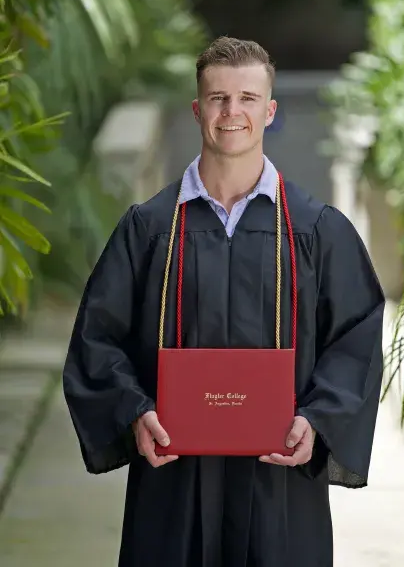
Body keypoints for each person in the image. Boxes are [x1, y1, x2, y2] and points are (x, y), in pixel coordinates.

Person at [63, 36, 385, 567]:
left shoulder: (316, 231)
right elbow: (98, 337)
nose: (232, 112)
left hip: (279, 481)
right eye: (217, 98)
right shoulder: (148, 230)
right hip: (174, 482)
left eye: (248, 98)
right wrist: (134, 412)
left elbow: (357, 337)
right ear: (197, 109)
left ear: (270, 110)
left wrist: (320, 419)